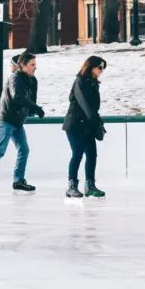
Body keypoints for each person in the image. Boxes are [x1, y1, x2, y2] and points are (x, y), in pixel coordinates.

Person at [0, 52, 45, 194]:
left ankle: (18, 181)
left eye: (35, 64)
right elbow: (17, 97)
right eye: (32, 64)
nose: (35, 67)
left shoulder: (32, 81)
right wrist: (35, 108)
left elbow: (31, 100)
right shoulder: (15, 78)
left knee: (24, 150)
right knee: (0, 150)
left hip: (17, 122)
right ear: (22, 65)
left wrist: (34, 109)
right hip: (5, 119)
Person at [63, 56, 108, 199]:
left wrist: (96, 122)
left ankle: (90, 186)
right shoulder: (80, 81)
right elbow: (85, 104)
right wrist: (95, 120)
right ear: (90, 67)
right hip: (76, 124)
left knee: (92, 155)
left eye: (103, 68)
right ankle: (71, 186)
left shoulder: (93, 83)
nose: (101, 71)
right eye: (99, 67)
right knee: (77, 154)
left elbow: (92, 108)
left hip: (88, 124)